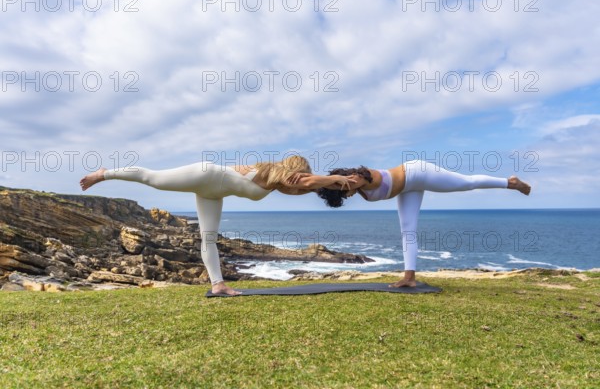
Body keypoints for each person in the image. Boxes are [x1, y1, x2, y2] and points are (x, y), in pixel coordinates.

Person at [80, 155, 355, 295]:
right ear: (296, 169)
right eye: (303, 174)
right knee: (152, 178)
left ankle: (218, 284)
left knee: (208, 238)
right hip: (205, 173)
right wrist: (332, 180)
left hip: (213, 192)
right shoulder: (277, 172)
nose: (304, 180)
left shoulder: (282, 184)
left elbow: (305, 187)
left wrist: (337, 188)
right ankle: (104, 173)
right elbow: (306, 182)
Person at [312, 159, 531, 288]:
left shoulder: (360, 177)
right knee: (408, 230)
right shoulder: (359, 190)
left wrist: (319, 181)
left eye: (342, 193)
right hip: (408, 189)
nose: (346, 196)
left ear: (342, 182)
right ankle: (410, 278)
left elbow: (340, 181)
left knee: (466, 183)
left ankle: (510, 183)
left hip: (418, 172)